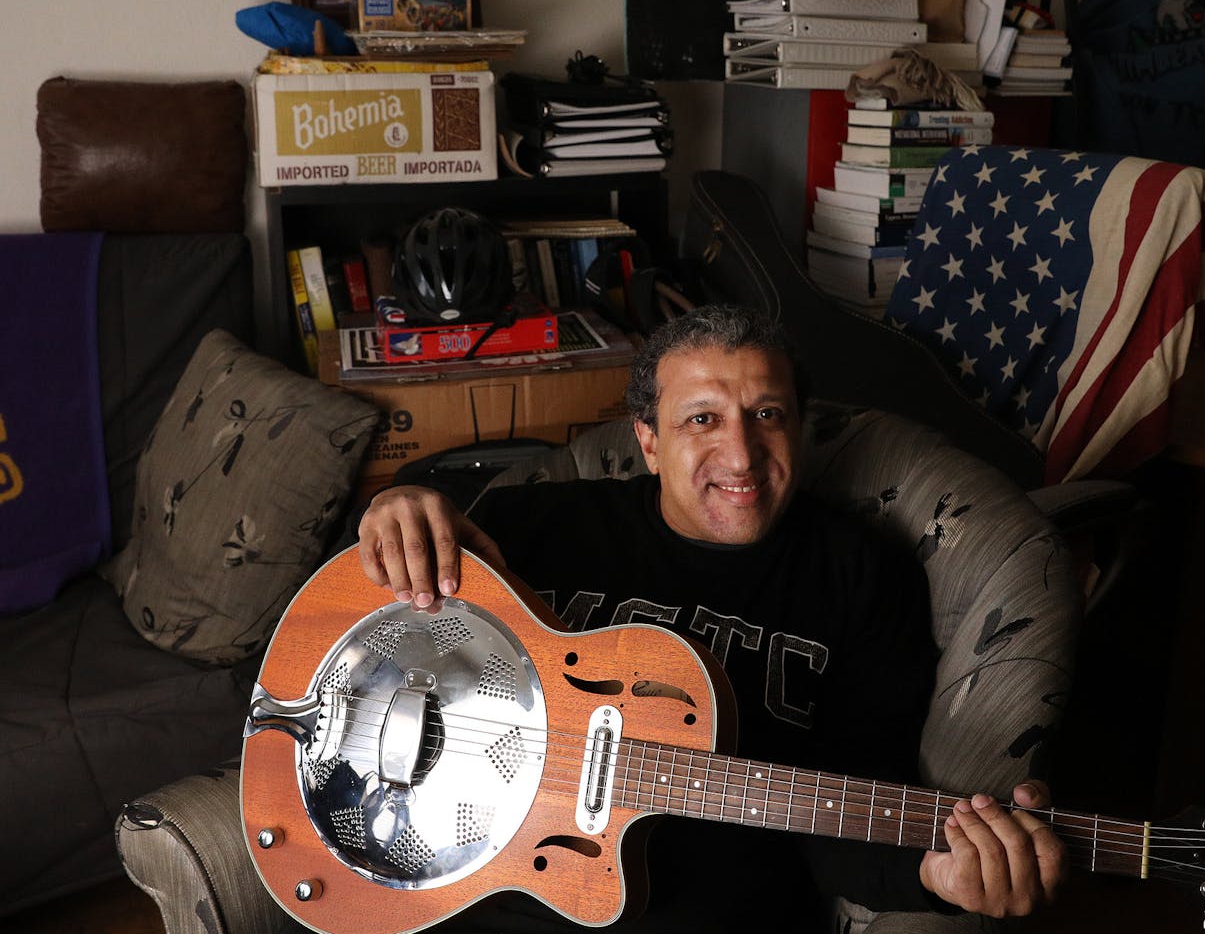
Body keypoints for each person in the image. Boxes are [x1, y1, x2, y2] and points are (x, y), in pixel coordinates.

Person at [356, 304, 1066, 932]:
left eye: (767, 414)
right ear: (649, 440)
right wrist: (396, 512)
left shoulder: (863, 576)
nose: (741, 453)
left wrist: (935, 876)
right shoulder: (530, 527)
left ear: (802, 428)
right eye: (702, 418)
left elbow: (854, 806)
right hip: (468, 892)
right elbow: (381, 654)